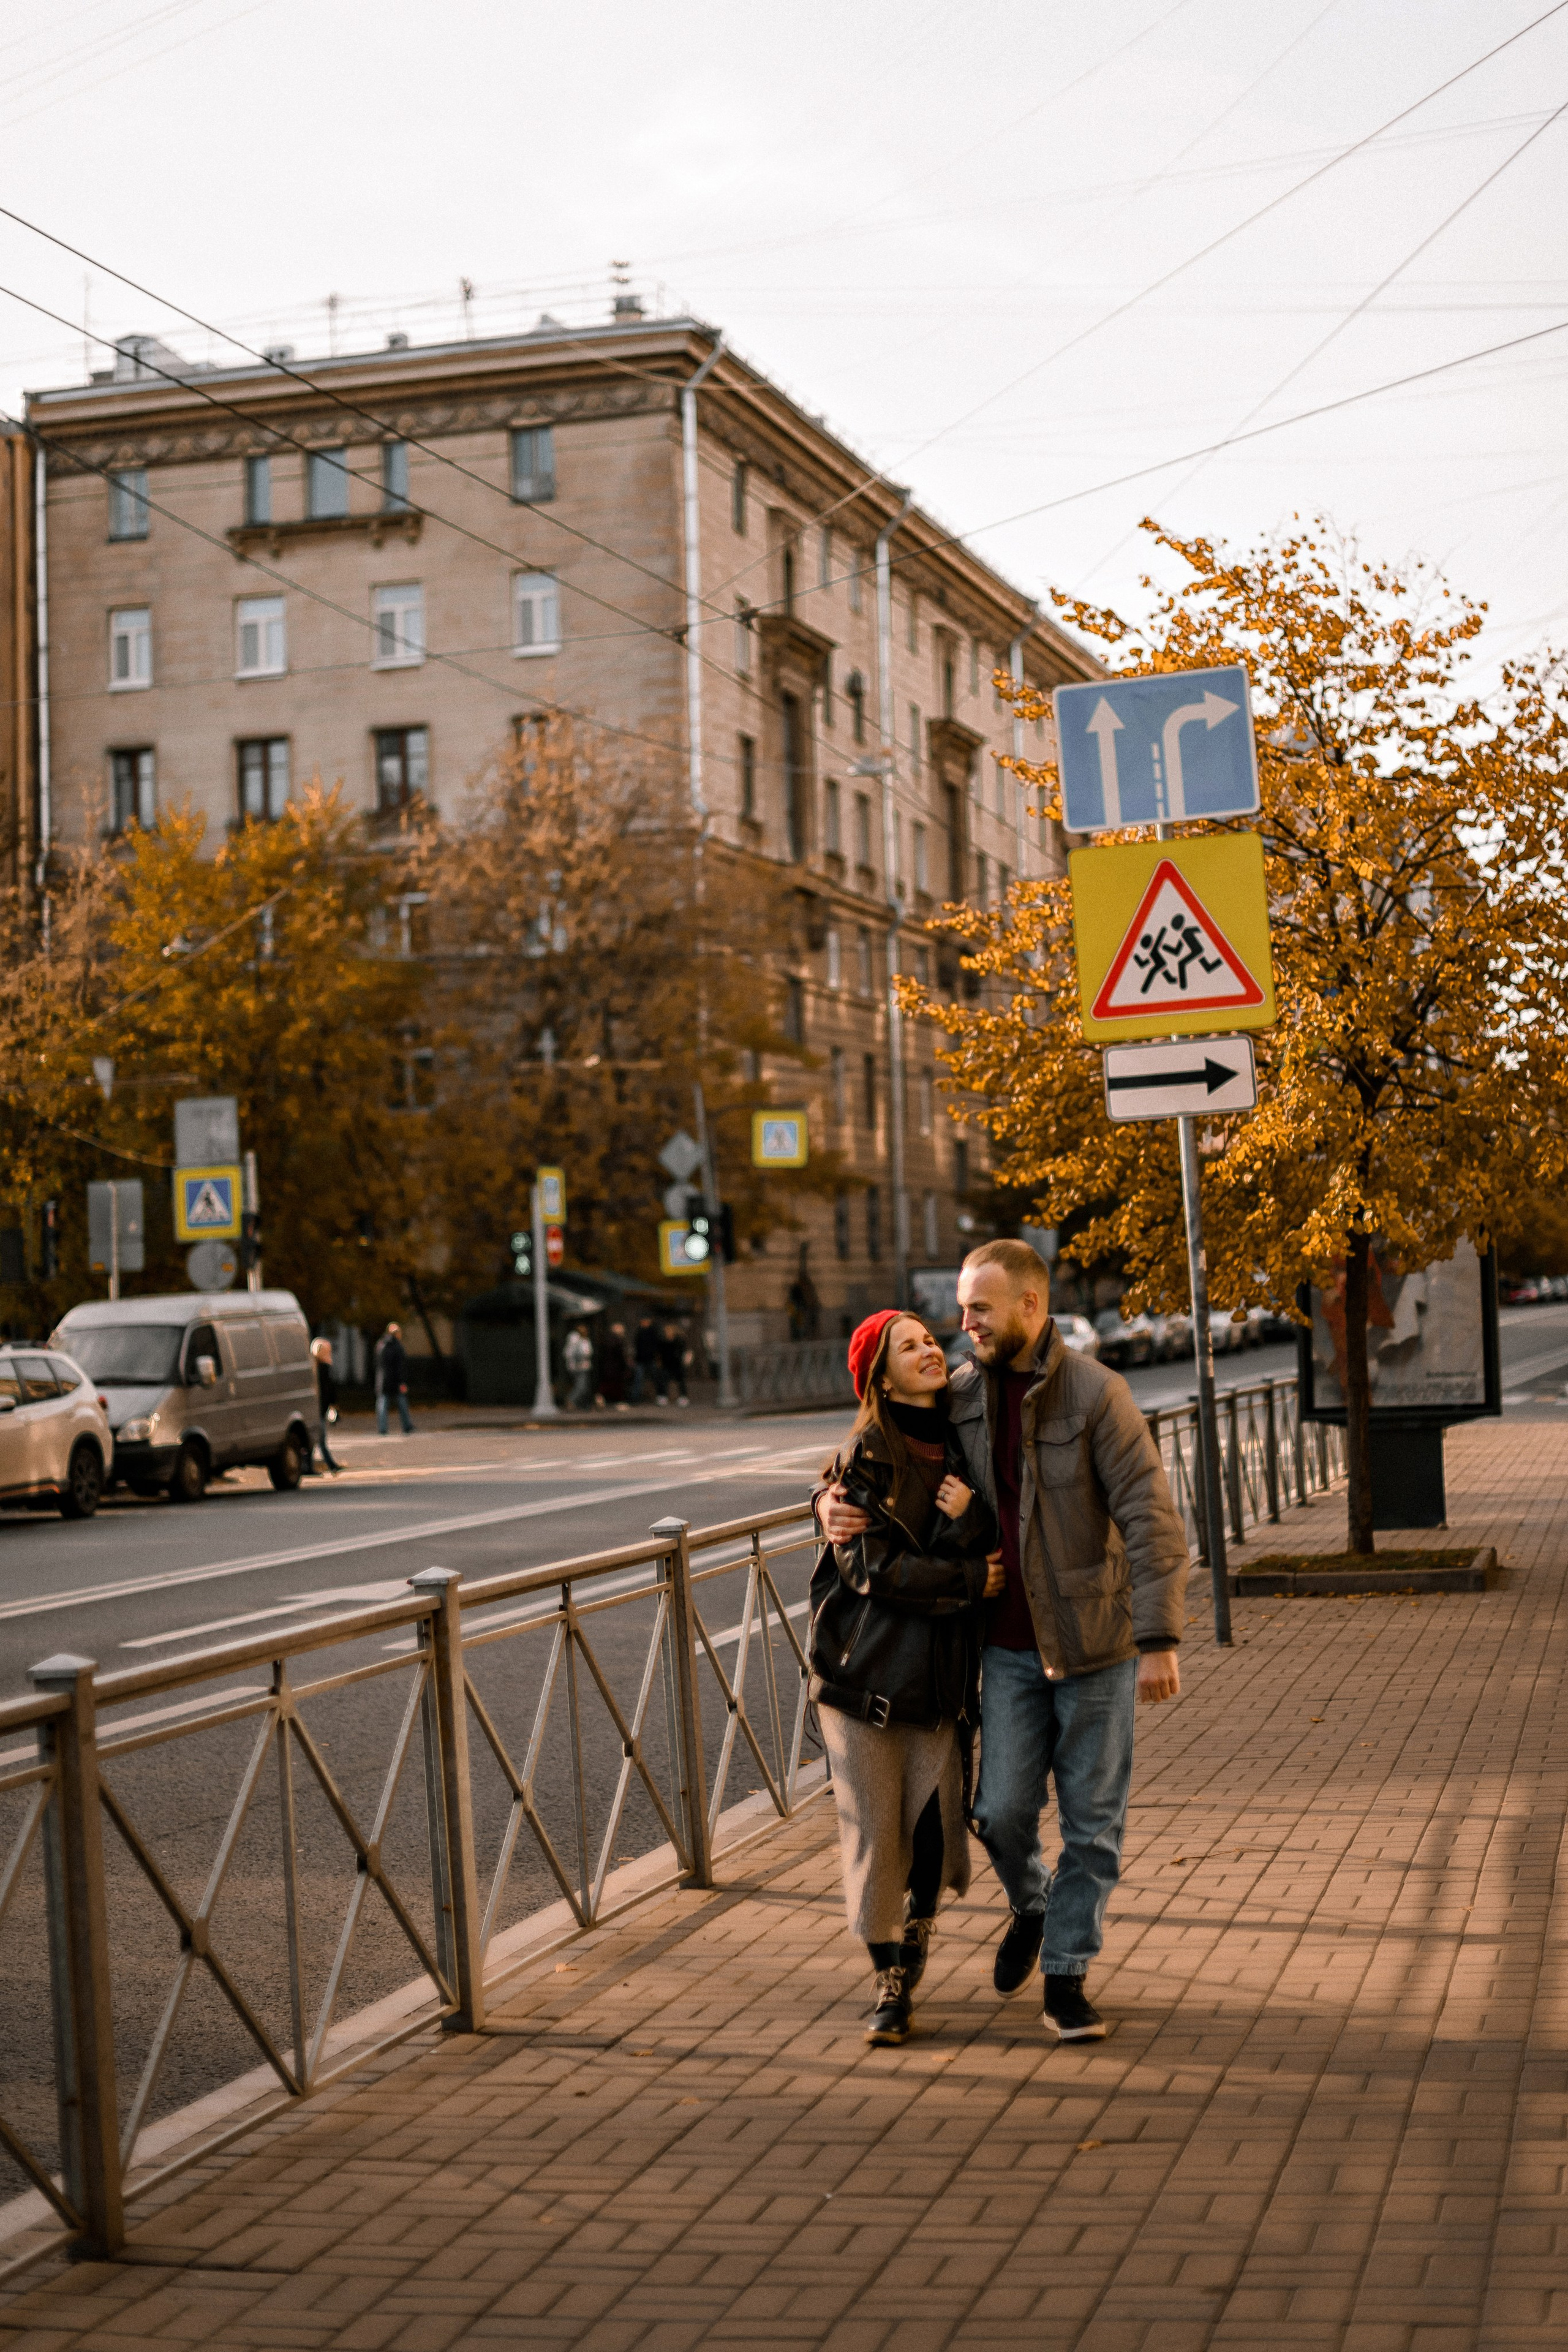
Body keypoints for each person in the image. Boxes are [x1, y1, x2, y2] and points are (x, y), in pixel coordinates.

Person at [818, 1239, 1188, 2043]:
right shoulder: (962, 1397)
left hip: (1098, 1647)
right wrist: (825, 1500)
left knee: (1092, 1825)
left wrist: (1159, 1637)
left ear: (1028, 1305)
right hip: (1007, 1653)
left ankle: (1066, 1976)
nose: (963, 1325)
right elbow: (884, 1440)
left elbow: (1152, 1522)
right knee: (998, 1813)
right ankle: (1034, 1904)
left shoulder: (1097, 1394)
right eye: (959, 1310)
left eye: (978, 1309)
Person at [811, 1310, 1000, 2046]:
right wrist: (965, 1576)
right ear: (879, 1375)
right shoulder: (867, 1453)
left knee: (929, 1833)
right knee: (872, 1834)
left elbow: (993, 1534)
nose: (928, 1350)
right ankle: (889, 1980)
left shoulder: (962, 1436)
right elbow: (866, 1568)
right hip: (866, 1674)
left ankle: (914, 1933)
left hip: (942, 1675)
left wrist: (973, 1515)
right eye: (908, 1346)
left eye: (928, 1340)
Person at [374, 1322, 414, 1436]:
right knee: (402, 1403)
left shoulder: (380, 1344)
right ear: (397, 1334)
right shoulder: (397, 1346)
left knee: (382, 1404)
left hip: (383, 1380)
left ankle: (382, 1428)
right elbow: (400, 1366)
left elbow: (376, 1363)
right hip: (396, 1380)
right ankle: (407, 1426)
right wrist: (402, 1382)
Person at [310, 1336, 342, 1476]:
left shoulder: (313, 1369)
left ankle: (326, 1464)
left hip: (316, 1408)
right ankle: (331, 1464)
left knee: (316, 1438)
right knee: (321, 1439)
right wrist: (333, 1404)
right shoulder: (324, 1369)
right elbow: (329, 1389)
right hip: (320, 1408)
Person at [657, 1320, 690, 1406]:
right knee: (663, 1380)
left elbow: (684, 1351)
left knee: (681, 1381)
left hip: (677, 1364)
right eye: (666, 1331)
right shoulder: (663, 1341)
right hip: (666, 1364)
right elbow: (660, 1353)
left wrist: (684, 1361)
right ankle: (663, 1397)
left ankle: (683, 1397)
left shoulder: (679, 1340)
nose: (668, 1332)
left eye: (669, 1330)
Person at [563, 1322, 595, 1411]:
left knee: (583, 1386)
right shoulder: (578, 1340)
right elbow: (582, 1353)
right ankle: (572, 1400)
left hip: (580, 1366)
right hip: (580, 1367)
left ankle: (582, 1405)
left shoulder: (578, 1340)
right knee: (582, 1386)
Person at [600, 1322, 630, 1409]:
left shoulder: (607, 1340)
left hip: (607, 1367)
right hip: (616, 1367)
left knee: (607, 1385)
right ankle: (619, 1403)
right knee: (617, 1386)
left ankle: (601, 1398)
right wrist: (625, 1366)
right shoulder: (618, 1341)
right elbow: (620, 1357)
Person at [631, 1314, 660, 1404]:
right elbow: (637, 1346)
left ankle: (660, 1395)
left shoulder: (653, 1332)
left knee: (655, 1378)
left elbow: (656, 1346)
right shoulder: (639, 1332)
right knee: (638, 1379)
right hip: (641, 1359)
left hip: (651, 1359)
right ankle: (635, 1398)